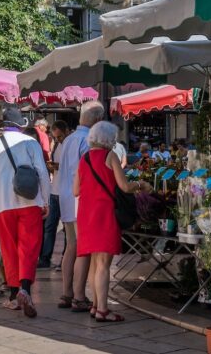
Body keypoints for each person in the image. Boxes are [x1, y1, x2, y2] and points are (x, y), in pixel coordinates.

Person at [74, 121, 150, 322]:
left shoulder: (84, 158)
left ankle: (95, 305)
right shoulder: (111, 156)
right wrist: (141, 185)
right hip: (104, 213)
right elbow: (124, 187)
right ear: (110, 139)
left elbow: (75, 190)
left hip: (86, 214)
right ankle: (103, 310)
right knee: (104, 264)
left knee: (93, 263)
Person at [0, 104, 50, 318]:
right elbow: (42, 173)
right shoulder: (30, 142)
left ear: (3, 125)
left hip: (2, 204)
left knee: (8, 249)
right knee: (29, 247)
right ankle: (25, 289)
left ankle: (12, 297)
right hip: (30, 202)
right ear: (20, 125)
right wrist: (45, 200)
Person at [49, 101, 101, 309]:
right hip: (81, 200)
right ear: (97, 120)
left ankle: (66, 292)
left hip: (65, 197)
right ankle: (79, 295)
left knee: (71, 246)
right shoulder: (87, 140)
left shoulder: (69, 139)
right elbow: (88, 172)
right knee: (82, 249)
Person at [37, 119, 72, 270]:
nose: (57, 139)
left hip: (66, 192)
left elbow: (73, 168)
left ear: (66, 132)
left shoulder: (71, 145)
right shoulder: (57, 145)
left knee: (66, 228)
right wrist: (52, 167)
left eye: (60, 136)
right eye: (55, 137)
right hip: (55, 191)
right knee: (50, 226)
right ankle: (45, 258)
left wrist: (57, 167)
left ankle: (66, 258)